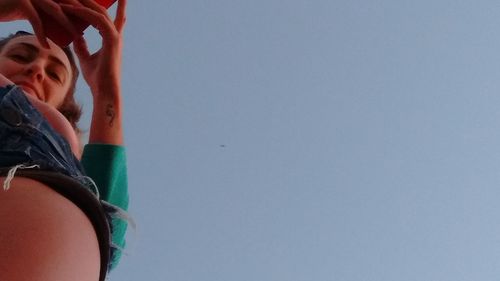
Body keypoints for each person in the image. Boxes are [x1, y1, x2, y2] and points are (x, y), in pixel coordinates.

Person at [0, 0, 129, 280]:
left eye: (55, 74)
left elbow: (111, 237)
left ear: (65, 105)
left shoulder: (67, 156)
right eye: (21, 56)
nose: (36, 70)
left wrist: (106, 88)